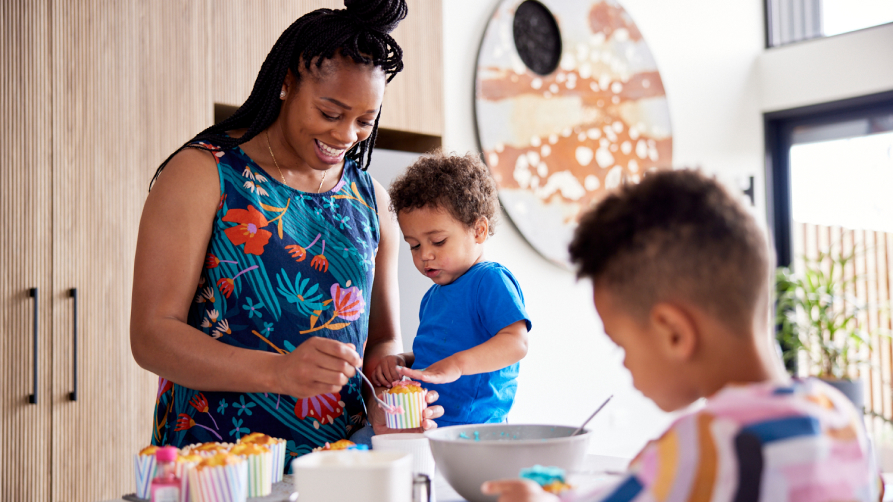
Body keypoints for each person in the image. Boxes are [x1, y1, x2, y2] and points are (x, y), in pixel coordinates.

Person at [129, 0, 442, 465]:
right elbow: (152, 335)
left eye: (364, 121)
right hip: (218, 462)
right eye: (330, 112)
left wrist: (388, 395)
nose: (346, 135)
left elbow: (379, 342)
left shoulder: (371, 200)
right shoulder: (203, 174)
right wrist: (278, 371)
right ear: (287, 83)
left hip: (341, 464)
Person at [482, 170, 882, 501]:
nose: (624, 363)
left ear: (673, 333)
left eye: (621, 345)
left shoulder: (708, 445)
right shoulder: (841, 418)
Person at [371, 151, 531, 426]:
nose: (424, 256)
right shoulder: (432, 297)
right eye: (415, 245)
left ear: (479, 230)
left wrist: (456, 365)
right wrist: (404, 361)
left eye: (438, 241)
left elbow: (516, 344)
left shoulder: (489, 280)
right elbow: (434, 357)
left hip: (475, 429)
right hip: (430, 423)